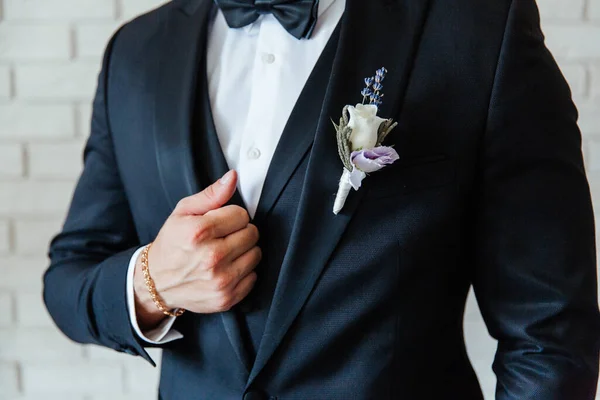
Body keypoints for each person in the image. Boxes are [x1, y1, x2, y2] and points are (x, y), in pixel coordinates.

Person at [43, 0, 600, 399]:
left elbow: (550, 336)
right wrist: (152, 285)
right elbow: (69, 278)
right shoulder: (136, 53)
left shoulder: (480, 25)